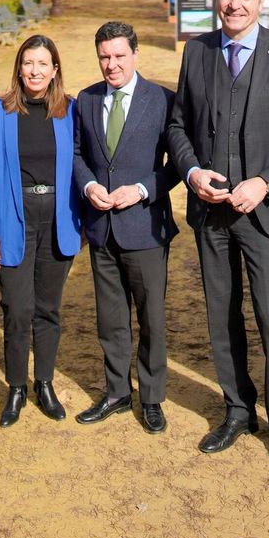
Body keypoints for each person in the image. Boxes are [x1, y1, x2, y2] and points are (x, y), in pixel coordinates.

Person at [167, 0, 269, 473]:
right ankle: (237, 409)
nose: (234, 4)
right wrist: (191, 173)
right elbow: (178, 126)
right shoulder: (198, 52)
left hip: (264, 214)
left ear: (262, 0)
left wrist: (266, 181)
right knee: (221, 315)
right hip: (211, 214)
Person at [0, 34, 83, 427]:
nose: (35, 71)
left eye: (43, 64)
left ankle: (45, 383)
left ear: (55, 70)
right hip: (10, 219)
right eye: (28, 63)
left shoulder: (71, 111)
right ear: (19, 67)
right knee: (17, 310)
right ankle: (16, 387)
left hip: (59, 218)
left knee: (48, 309)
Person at [72, 21, 178, 433]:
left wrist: (142, 189)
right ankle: (116, 392)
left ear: (135, 54)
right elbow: (79, 154)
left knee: (151, 317)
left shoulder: (163, 100)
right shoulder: (86, 99)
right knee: (110, 318)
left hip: (147, 228)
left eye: (119, 56)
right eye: (104, 57)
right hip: (102, 228)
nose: (111, 64)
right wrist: (89, 183)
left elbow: (177, 166)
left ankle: (151, 397)